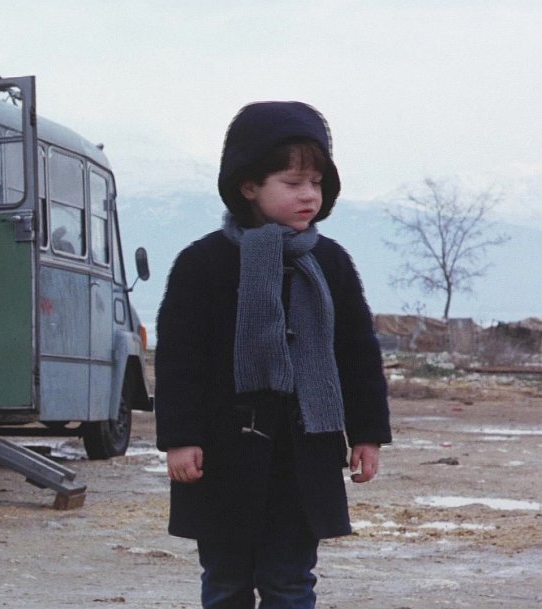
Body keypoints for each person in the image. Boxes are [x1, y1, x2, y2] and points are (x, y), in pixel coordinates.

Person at [153, 101, 392, 609]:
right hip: (220, 456)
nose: (309, 195)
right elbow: (178, 360)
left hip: (303, 456)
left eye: (317, 183)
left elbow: (358, 355)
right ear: (248, 186)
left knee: (290, 582)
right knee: (226, 582)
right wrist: (179, 439)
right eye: (292, 182)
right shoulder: (203, 263)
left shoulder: (330, 262)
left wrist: (367, 434)